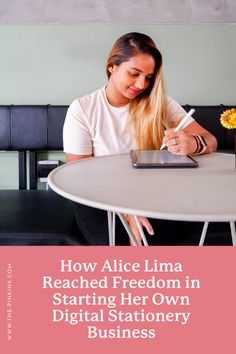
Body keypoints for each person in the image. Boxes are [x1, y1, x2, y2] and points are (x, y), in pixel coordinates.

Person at [63, 32, 217, 246]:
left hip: (152, 194)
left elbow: (210, 140)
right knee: (115, 246)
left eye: (148, 77)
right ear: (112, 66)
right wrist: (126, 211)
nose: (141, 84)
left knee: (155, 244)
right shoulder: (83, 109)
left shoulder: (161, 103)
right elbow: (81, 176)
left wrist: (194, 143)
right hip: (97, 197)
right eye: (134, 73)